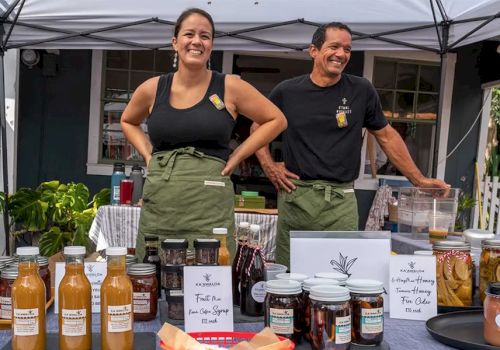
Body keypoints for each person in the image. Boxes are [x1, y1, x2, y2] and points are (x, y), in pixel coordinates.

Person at [251, 22, 449, 267]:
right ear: (313, 50)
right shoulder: (287, 91)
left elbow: (386, 136)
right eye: (334, 46)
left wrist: (419, 180)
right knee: (291, 275)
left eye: (347, 49)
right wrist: (269, 166)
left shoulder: (361, 90)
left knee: (340, 274)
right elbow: (257, 127)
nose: (341, 54)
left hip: (341, 202)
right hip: (296, 198)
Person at [121, 8, 287, 260]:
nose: (197, 41)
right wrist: (148, 156)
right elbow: (128, 121)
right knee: (155, 270)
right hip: (162, 200)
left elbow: (276, 120)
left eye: (205, 36)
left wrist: (237, 156)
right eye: (189, 34)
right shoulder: (152, 89)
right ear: (175, 42)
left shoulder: (230, 86)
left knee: (211, 272)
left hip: (209, 203)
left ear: (211, 45)